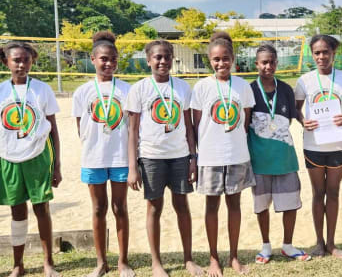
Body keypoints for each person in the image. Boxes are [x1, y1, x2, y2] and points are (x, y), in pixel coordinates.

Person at [126, 40, 202, 277]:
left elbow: (189, 127)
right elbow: (133, 130)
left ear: (172, 59)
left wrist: (193, 157)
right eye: (157, 57)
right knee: (154, 208)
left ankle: (188, 259)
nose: (162, 61)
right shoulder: (139, 89)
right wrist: (132, 166)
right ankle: (156, 263)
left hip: (179, 156)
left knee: (182, 206)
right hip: (151, 157)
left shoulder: (182, 88)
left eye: (167, 56)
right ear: (148, 60)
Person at [191, 32, 256, 276]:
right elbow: (197, 126)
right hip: (210, 157)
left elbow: (245, 121)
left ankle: (234, 257)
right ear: (210, 60)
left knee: (235, 206)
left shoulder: (242, 87)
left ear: (233, 59)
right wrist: (197, 156)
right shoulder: (201, 87)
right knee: (211, 207)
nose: (221, 64)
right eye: (216, 59)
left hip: (237, 155)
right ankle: (213, 258)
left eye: (226, 58)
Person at [71, 32, 134, 277]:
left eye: (113, 60)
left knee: (120, 208)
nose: (109, 64)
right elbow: (81, 127)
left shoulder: (128, 89)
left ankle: (123, 262)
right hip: (94, 158)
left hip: (119, 157)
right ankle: (101, 262)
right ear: (93, 59)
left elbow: (132, 126)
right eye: (104, 59)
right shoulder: (82, 91)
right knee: (98, 209)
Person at [0, 42, 62, 277]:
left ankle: (48, 262)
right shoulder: (1, 91)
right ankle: (18, 264)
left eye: (26, 60)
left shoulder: (42, 89)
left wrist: (57, 165)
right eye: (16, 60)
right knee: (17, 212)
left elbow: (53, 129)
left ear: (32, 62)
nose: (22, 64)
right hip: (9, 158)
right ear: (6, 62)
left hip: (38, 157)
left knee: (41, 209)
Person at [248, 44, 310, 264]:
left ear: (277, 63)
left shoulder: (285, 89)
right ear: (257, 64)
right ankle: (265, 246)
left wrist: (307, 122)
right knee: (261, 206)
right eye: (264, 62)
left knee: (291, 203)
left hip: (284, 157)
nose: (268, 66)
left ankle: (287, 244)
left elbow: (294, 117)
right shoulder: (250, 90)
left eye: (272, 61)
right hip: (259, 159)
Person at [295, 34, 342, 258]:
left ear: (333, 53)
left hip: (338, 145)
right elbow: (296, 109)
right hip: (314, 146)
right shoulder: (305, 81)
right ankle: (319, 242)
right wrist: (303, 121)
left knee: (334, 192)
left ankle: (332, 243)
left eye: (325, 52)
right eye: (317, 53)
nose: (321, 56)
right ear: (312, 54)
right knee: (318, 193)